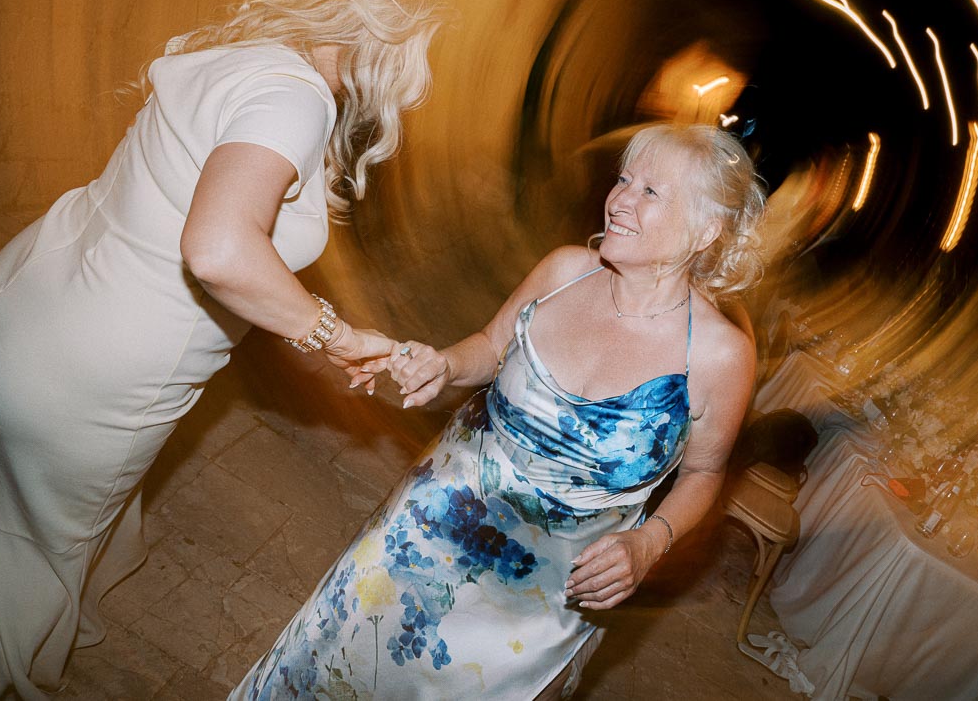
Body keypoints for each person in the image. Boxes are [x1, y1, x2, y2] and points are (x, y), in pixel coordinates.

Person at [0, 0, 450, 700]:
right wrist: (336, 334)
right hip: (90, 377)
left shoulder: (247, 54)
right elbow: (218, 248)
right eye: (420, 50)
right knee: (12, 598)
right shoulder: (299, 99)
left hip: (22, 308)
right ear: (383, 42)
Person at [232, 123, 766, 700]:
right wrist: (444, 364)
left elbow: (705, 473)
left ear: (706, 230)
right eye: (624, 180)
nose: (620, 200)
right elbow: (489, 347)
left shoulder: (716, 355)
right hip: (426, 528)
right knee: (335, 669)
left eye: (651, 192)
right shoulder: (565, 271)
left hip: (539, 600)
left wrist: (650, 543)